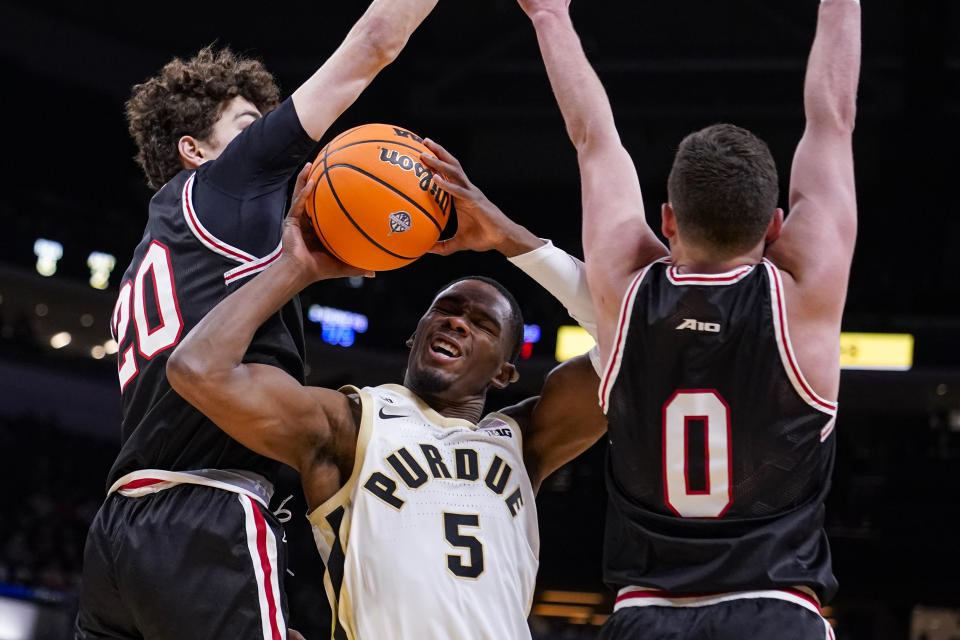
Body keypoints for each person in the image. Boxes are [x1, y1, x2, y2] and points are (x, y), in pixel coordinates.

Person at [76, 2, 442, 638]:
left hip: (117, 532)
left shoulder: (154, 248)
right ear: (195, 149)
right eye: (250, 124)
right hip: (205, 514)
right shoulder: (229, 180)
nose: (268, 138)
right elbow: (375, 42)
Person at [166, 143, 608, 639]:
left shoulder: (524, 441)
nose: (457, 322)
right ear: (413, 335)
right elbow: (197, 368)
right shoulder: (353, 422)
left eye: (481, 323)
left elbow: (631, 337)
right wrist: (295, 268)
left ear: (505, 372)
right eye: (444, 311)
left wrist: (508, 237)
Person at [517, 0, 860, 638]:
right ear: (776, 225)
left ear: (667, 220)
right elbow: (833, 119)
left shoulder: (625, 284)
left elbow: (594, 140)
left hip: (647, 614)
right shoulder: (804, 296)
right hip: (776, 613)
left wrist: (548, 16)